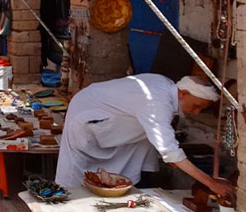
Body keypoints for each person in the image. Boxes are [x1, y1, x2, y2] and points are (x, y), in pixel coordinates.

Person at [55, 74, 234, 198]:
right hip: (87, 116)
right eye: (196, 106)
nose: (196, 112)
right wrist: (211, 183)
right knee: (77, 175)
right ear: (183, 93)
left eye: (201, 109)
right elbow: (171, 154)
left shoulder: (166, 85)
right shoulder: (157, 102)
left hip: (104, 116)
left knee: (120, 172)